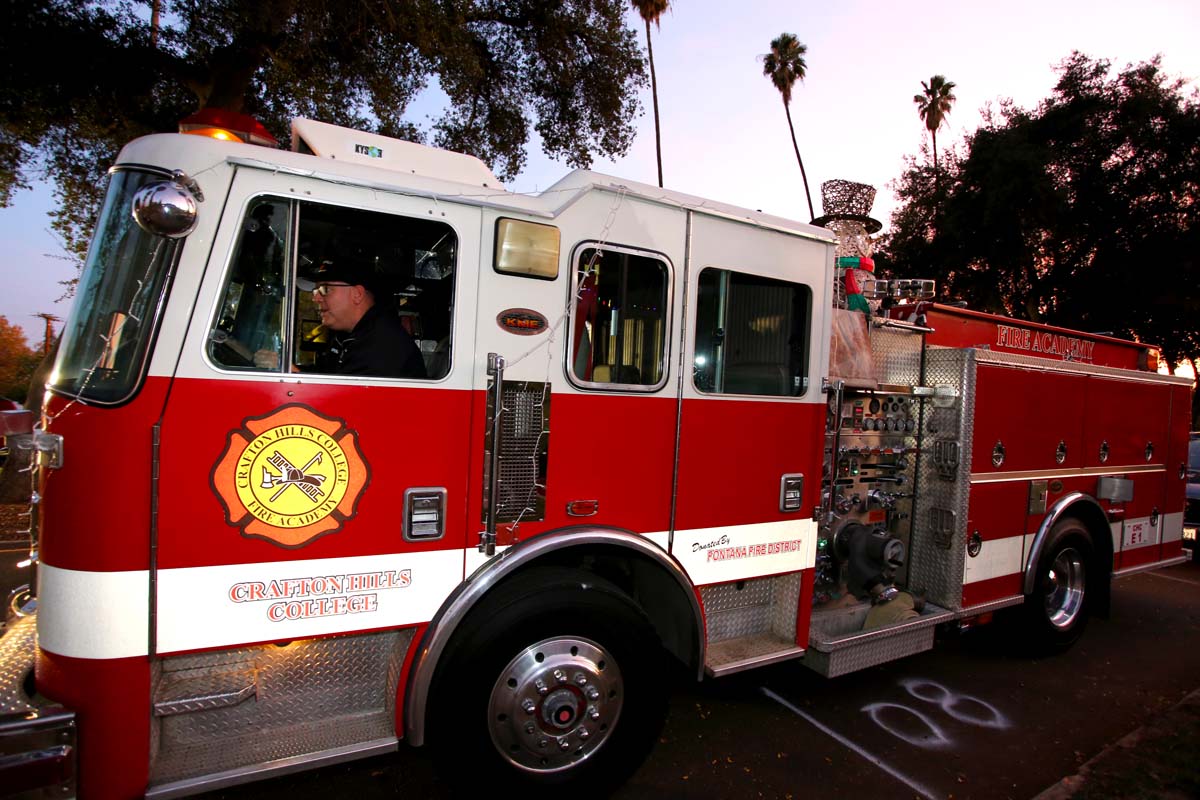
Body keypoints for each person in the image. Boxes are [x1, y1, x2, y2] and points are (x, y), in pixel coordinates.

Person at [255, 259, 427, 379]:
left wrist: (294, 375)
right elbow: (330, 374)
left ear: (357, 294)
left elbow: (343, 403)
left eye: (325, 290)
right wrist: (293, 369)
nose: (316, 298)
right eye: (315, 291)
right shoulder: (350, 338)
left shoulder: (383, 345)